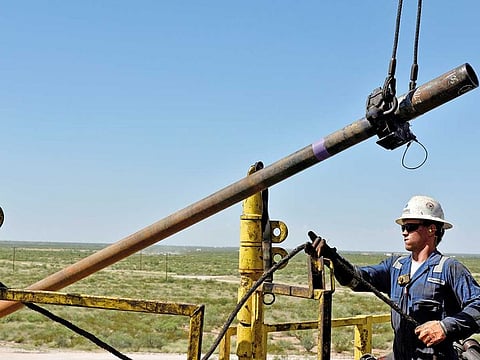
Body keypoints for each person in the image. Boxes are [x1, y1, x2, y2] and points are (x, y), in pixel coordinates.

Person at [309, 195, 480, 359]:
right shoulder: (396, 267)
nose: (404, 232)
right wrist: (334, 260)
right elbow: (358, 280)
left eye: (410, 227)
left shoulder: (449, 268)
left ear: (431, 229)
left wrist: (445, 327)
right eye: (402, 227)